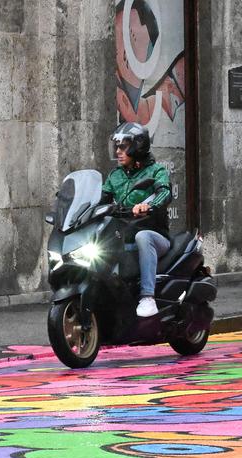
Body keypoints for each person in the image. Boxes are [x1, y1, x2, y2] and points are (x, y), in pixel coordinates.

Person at [101, 122, 172, 317]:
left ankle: (148, 297)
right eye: (116, 146)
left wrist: (150, 205)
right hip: (123, 235)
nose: (118, 151)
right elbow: (100, 198)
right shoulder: (115, 176)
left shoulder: (156, 171)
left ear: (138, 147)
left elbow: (164, 192)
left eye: (123, 146)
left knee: (143, 237)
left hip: (156, 236)